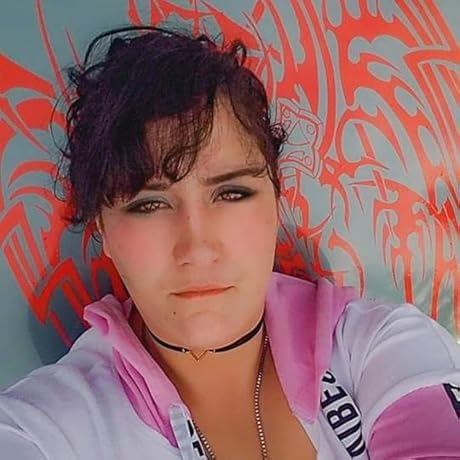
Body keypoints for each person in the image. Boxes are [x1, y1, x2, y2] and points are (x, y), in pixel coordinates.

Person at [0, 24, 459, 460]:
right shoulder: (46, 427)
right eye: (149, 204)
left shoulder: (382, 347)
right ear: (101, 227)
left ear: (276, 199)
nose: (197, 248)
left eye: (232, 193)